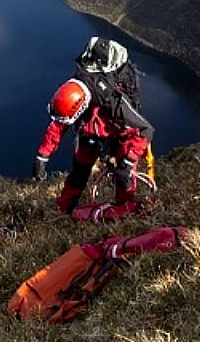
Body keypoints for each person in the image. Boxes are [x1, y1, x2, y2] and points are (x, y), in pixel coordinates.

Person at [32, 37, 155, 214]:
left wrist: (127, 162)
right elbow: (59, 124)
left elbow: (145, 130)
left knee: (124, 179)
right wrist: (42, 157)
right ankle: (64, 211)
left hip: (121, 137)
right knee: (78, 175)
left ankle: (124, 211)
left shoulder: (114, 103)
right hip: (90, 137)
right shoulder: (74, 94)